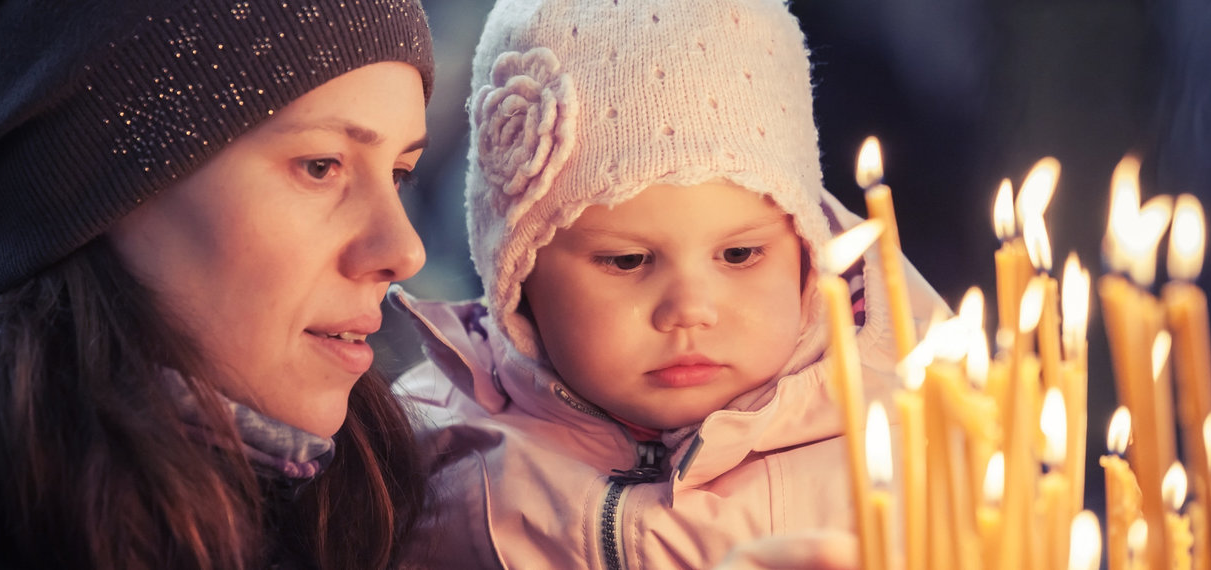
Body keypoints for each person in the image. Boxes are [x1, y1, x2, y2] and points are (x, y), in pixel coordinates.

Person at [391, 0, 947, 567]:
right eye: (628, 261)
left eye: (738, 254)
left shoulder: (909, 440)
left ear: (806, 253)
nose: (690, 310)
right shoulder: (429, 455)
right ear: (518, 279)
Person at [0, 0, 436, 567]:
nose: (405, 252)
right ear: (98, 199)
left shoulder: (408, 508)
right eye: (320, 166)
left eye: (400, 174)